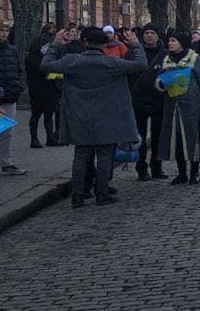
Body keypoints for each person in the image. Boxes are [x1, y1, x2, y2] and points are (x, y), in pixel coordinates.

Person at [41, 25, 146, 206]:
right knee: (105, 156)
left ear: (85, 42)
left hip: (79, 116)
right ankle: (102, 193)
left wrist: (56, 44)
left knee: (81, 155)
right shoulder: (112, 63)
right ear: (104, 45)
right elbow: (141, 64)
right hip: (107, 117)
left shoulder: (71, 61)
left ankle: (77, 195)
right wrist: (136, 44)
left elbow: (46, 64)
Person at [154, 31, 200, 185]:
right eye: (169, 41)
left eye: (173, 40)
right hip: (172, 106)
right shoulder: (166, 59)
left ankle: (194, 173)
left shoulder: (194, 58)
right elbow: (159, 79)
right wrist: (161, 83)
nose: (170, 43)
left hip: (192, 106)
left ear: (182, 43)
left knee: (193, 139)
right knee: (177, 141)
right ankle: (182, 174)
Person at [129, 23, 169, 180]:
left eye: (152, 33)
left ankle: (157, 167)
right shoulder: (135, 52)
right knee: (140, 136)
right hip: (139, 100)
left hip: (159, 100)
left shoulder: (165, 54)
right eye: (146, 33)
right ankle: (141, 168)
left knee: (158, 136)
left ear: (158, 35)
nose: (149, 35)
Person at [0, 18, 27, 174]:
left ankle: (6, 163)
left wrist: (18, 86)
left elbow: (18, 70)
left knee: (6, 132)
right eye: (1, 30)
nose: (4, 33)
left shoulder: (12, 50)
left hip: (9, 97)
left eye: (7, 30)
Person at [24, 29, 59, 148]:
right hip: (37, 89)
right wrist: (57, 75)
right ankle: (34, 139)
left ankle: (50, 137)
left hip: (48, 89)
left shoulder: (41, 58)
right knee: (36, 114)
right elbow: (44, 72)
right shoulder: (32, 59)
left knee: (48, 114)